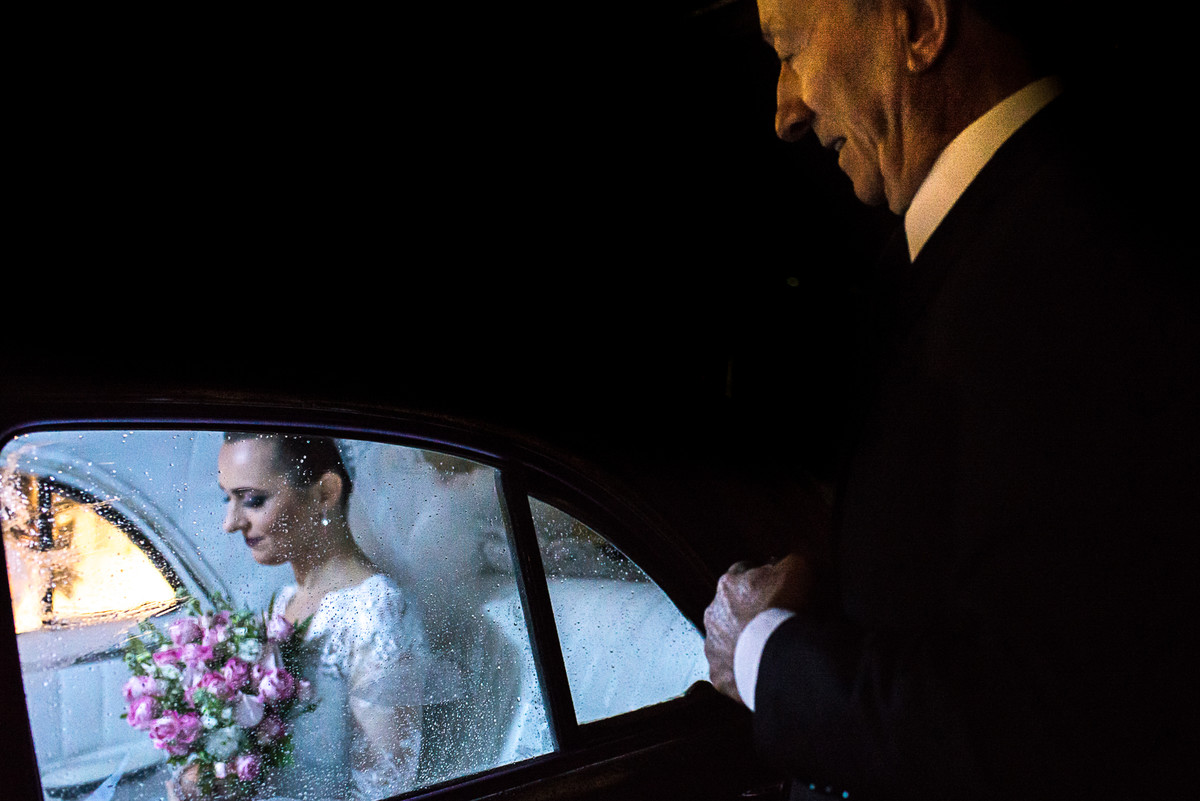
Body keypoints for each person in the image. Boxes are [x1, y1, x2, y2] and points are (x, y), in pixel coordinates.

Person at [703, 1, 1198, 799]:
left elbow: (1041, 721)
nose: (786, 111)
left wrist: (763, 653)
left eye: (791, 48)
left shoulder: (1060, 272)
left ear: (921, 26)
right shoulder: (1003, 240)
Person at [171, 432, 432, 800]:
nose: (230, 523)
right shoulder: (285, 601)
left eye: (253, 500)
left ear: (325, 493)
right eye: (227, 498)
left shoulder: (375, 614)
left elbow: (384, 788)